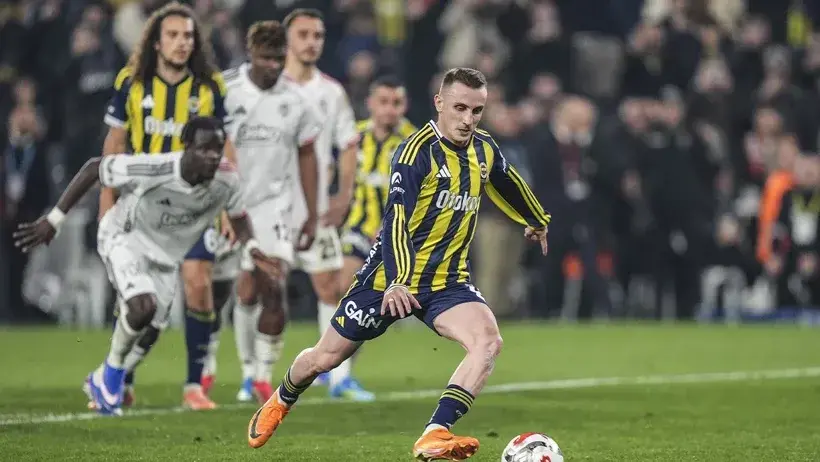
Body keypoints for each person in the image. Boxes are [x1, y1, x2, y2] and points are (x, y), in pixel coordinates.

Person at [246, 68, 551, 461]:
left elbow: (507, 181)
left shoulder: (484, 149)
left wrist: (536, 218)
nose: (468, 119)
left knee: (488, 341)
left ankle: (435, 432)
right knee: (326, 357)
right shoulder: (415, 152)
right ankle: (281, 399)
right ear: (439, 103)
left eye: (477, 110)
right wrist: (398, 280)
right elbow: (396, 221)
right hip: (387, 279)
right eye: (459, 108)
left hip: (446, 282)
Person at [13, 116, 282, 416]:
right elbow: (94, 168)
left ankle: (103, 377)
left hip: (165, 259)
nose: (212, 156)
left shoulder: (227, 180)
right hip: (124, 238)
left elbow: (239, 217)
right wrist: (54, 220)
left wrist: (253, 247)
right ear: (186, 146)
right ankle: (111, 378)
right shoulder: (155, 168)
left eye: (217, 150)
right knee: (142, 306)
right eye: (204, 149)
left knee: (151, 331)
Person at [97, 1, 232, 410]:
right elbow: (114, 144)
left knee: (198, 283)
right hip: (142, 206)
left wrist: (226, 206)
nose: (181, 42)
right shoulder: (131, 82)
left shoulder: (210, 87)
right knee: (142, 304)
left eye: (188, 35)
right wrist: (106, 202)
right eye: (172, 35)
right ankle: (122, 376)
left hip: (195, 207)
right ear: (156, 41)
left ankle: (193, 385)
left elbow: (225, 147)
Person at [210, 20, 320, 404]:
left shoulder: (296, 100)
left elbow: (307, 154)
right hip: (228, 204)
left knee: (273, 284)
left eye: (278, 58)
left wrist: (311, 213)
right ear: (250, 54)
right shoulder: (225, 90)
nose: (273, 66)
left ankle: (262, 376)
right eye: (265, 58)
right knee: (239, 290)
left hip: (274, 207)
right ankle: (242, 371)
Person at [279, 7, 372, 400]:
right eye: (303, 35)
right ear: (287, 40)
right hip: (267, 208)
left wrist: (343, 196)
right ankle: (250, 376)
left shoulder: (331, 92)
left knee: (332, 286)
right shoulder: (266, 88)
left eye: (317, 35)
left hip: (315, 209)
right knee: (254, 290)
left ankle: (336, 375)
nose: (311, 42)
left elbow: (348, 145)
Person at [339, 76, 415, 320]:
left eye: (396, 103)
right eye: (383, 102)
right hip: (359, 228)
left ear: (405, 105)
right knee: (344, 287)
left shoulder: (416, 143)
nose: (390, 109)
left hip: (402, 234)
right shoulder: (354, 137)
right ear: (370, 103)